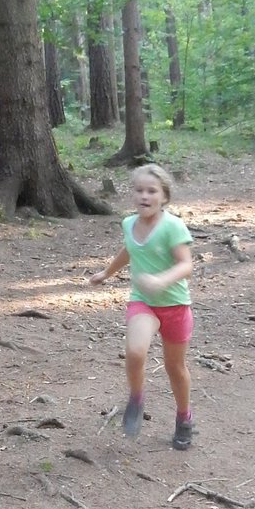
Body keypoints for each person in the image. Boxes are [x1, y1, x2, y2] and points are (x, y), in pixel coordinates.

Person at [89, 163, 195, 449]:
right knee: (135, 352)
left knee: (175, 368)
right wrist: (106, 273)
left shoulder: (172, 226)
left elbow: (186, 265)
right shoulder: (128, 224)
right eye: (139, 190)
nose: (144, 196)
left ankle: (184, 418)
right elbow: (129, 250)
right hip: (143, 301)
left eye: (151, 191)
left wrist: (162, 280)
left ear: (164, 196)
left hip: (175, 305)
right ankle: (136, 398)